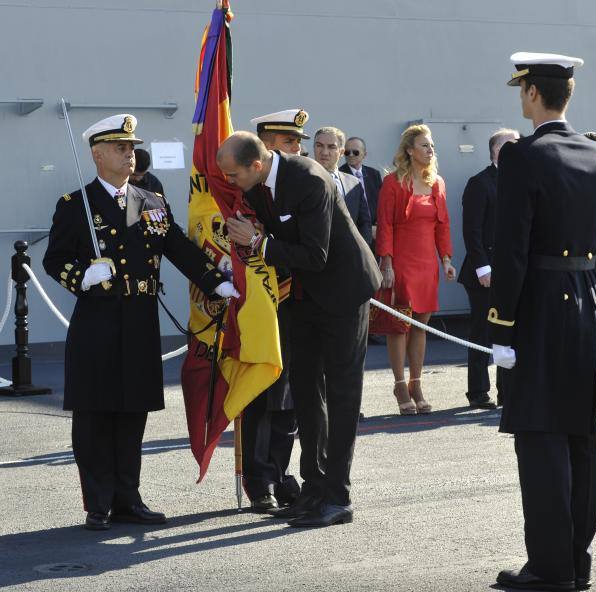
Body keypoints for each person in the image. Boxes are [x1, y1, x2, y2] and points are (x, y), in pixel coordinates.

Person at [43, 114, 236, 530]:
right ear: (97, 155)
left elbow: (180, 250)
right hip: (97, 322)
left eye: (131, 147)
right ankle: (98, 503)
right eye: (119, 147)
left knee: (132, 413)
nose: (129, 153)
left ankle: (128, 498)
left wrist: (215, 282)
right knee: (95, 415)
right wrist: (82, 277)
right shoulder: (75, 205)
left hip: (139, 321)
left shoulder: (152, 202)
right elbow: (53, 260)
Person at [489, 53, 596, 591]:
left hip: (541, 305)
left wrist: (501, 327)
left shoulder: (525, 157)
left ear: (530, 94)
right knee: (582, 438)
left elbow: (512, 250)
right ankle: (577, 560)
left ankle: (551, 568)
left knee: (541, 438)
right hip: (589, 303)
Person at [219, 132, 381, 528]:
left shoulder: (307, 178)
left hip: (343, 293)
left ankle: (337, 496)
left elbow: (316, 253)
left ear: (256, 165)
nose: (229, 180)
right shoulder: (258, 185)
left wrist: (257, 242)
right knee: (307, 394)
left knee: (342, 395)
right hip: (305, 296)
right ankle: (313, 490)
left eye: (233, 173)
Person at [240, 108, 311, 512]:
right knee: (262, 396)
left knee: (289, 398)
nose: (295, 148)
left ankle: (282, 472)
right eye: (287, 141)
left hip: (296, 301)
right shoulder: (246, 191)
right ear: (265, 143)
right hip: (261, 304)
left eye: (297, 141)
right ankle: (258, 478)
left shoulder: (296, 184)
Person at [376, 124, 455, 415]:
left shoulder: (438, 183)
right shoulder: (393, 182)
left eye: (431, 145)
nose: (430, 150)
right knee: (400, 326)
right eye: (424, 145)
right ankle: (399, 384)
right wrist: (386, 262)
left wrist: (446, 259)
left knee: (421, 325)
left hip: (427, 263)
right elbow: (384, 223)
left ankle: (416, 383)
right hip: (401, 262)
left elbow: (442, 224)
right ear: (410, 150)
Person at [458, 128, 518, 409]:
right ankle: (478, 392)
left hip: (512, 270)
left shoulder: (521, 180)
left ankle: (508, 391)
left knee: (510, 333)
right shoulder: (480, 183)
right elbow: (472, 230)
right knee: (482, 332)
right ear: (494, 150)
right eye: (508, 145)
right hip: (484, 271)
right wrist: (483, 267)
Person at [314, 126, 372, 244]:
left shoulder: (354, 183)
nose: (324, 152)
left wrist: (361, 252)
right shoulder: (301, 180)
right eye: (319, 145)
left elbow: (364, 223)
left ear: (341, 152)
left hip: (348, 256)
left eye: (331, 147)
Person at [340, 136, 383, 236]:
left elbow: (381, 202)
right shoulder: (340, 174)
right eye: (347, 152)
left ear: (364, 154)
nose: (350, 155)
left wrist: (378, 225)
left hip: (375, 231)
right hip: (353, 232)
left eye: (355, 152)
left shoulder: (374, 174)